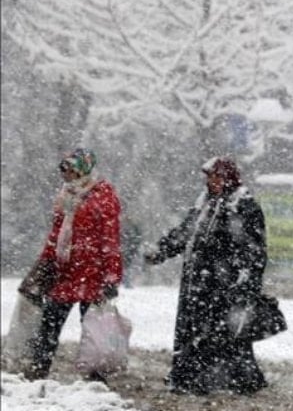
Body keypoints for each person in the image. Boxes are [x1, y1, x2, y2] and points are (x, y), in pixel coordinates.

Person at [144, 156, 268, 395]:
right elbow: (186, 232)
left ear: (229, 178)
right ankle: (188, 377)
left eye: (217, 176)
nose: (211, 181)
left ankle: (222, 378)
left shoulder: (243, 205)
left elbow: (254, 248)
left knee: (221, 331)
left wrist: (245, 277)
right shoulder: (206, 204)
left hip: (223, 282)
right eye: (209, 177)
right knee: (192, 328)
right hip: (198, 279)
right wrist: (162, 250)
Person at [24, 148, 123, 382]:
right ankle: (39, 367)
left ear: (82, 169)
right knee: (50, 321)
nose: (65, 175)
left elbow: (110, 239)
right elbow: (56, 233)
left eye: (69, 170)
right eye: (64, 170)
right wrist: (46, 261)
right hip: (66, 271)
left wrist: (111, 275)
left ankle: (96, 376)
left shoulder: (103, 195)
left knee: (93, 327)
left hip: (93, 272)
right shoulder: (66, 195)